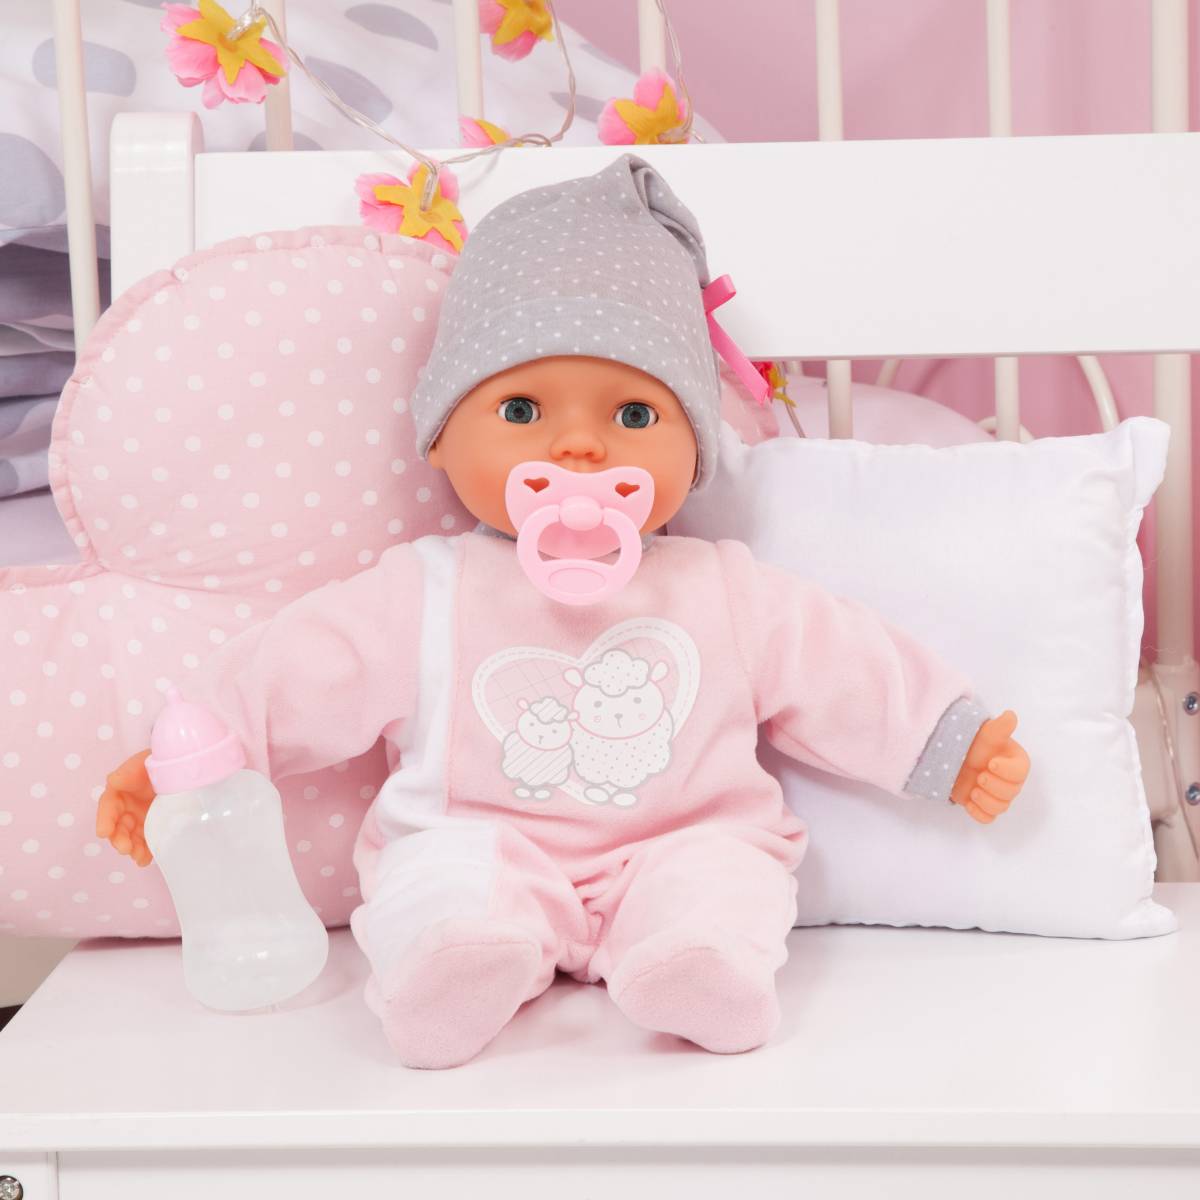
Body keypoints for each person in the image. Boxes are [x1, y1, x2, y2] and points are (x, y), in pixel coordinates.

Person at [97, 154, 1030, 1069]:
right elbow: (304, 669)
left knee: (724, 880)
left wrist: (947, 742)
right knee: (439, 883)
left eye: (633, 417)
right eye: (521, 412)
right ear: (441, 437)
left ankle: (698, 966)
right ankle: (452, 970)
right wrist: (193, 760)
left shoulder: (721, 588)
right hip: (482, 841)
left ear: (694, 450)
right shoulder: (425, 591)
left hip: (682, 841)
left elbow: (838, 663)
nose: (579, 446)